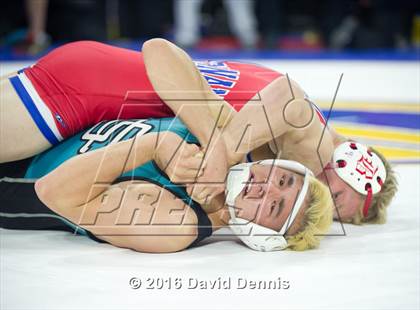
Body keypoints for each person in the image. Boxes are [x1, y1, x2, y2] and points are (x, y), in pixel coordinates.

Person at [0, 38, 397, 225]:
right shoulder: (300, 129)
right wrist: (219, 155)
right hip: (76, 93)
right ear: (349, 158)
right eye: (334, 197)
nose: (316, 199)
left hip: (86, 89)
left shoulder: (270, 132)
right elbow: (159, 53)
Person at [0, 117, 332, 253]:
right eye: (284, 179)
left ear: (259, 235)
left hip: (15, 170)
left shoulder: (176, 223)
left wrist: (154, 145)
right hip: (38, 125)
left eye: (275, 206)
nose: (266, 188)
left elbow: (52, 194)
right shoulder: (222, 140)